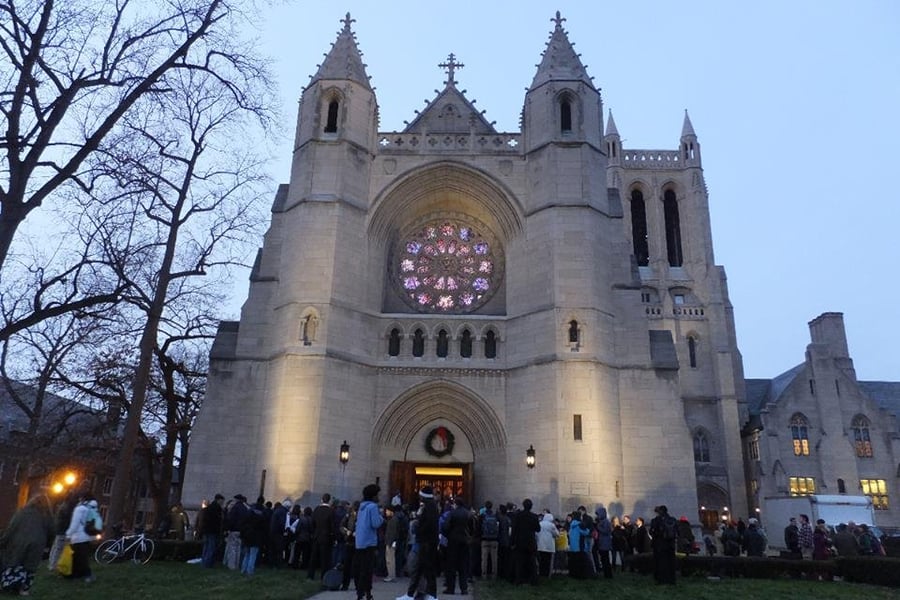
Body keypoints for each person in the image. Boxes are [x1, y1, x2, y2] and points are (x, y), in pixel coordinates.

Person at [0, 494, 54, 595]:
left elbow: (11, 528)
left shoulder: (22, 512)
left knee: (16, 563)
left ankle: (10, 584)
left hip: (19, 542)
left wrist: (3, 541)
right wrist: (48, 546)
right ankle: (24, 589)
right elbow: (52, 532)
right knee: (30, 567)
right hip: (38, 544)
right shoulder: (47, 515)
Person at [397, 486, 440, 600]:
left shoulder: (428, 506)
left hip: (426, 542)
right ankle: (413, 594)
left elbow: (427, 524)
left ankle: (429, 595)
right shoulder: (431, 506)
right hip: (427, 541)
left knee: (426, 569)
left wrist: (418, 528)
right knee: (421, 569)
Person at [354, 484, 384, 600]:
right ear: (373, 495)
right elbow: (375, 523)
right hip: (369, 542)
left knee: (360, 568)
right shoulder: (372, 507)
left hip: (360, 541)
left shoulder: (362, 507)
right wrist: (381, 517)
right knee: (367, 569)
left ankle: (360, 591)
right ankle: (365, 592)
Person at [65, 496, 103, 583]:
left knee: (78, 558)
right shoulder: (92, 509)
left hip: (78, 537)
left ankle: (84, 575)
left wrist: (68, 535)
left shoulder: (79, 509)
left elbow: (75, 524)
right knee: (81, 557)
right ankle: (77, 575)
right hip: (86, 536)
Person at [443, 497, 472, 595]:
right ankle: (464, 589)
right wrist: (469, 537)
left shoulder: (452, 513)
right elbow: (472, 527)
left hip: (453, 541)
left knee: (451, 565)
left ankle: (450, 588)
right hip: (464, 541)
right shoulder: (468, 514)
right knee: (463, 565)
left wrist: (448, 535)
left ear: (455, 504)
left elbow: (445, 526)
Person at [510, 498, 540, 585]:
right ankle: (534, 580)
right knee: (532, 562)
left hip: (520, 542)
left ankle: (518, 580)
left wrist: (512, 542)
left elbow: (514, 529)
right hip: (531, 542)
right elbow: (538, 529)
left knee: (519, 563)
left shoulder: (518, 515)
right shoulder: (534, 516)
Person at [308, 492, 335, 580]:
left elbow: (312, 523)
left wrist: (314, 532)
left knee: (313, 557)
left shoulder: (316, 509)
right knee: (325, 558)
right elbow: (332, 525)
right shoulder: (331, 511)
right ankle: (323, 576)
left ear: (321, 499)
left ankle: (310, 575)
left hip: (316, 535)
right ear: (329, 500)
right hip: (326, 537)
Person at [649, 504, 676, 585]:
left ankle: (661, 580)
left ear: (660, 511)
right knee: (671, 562)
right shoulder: (673, 520)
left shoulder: (656, 520)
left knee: (660, 563)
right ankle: (672, 580)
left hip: (660, 545)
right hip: (671, 545)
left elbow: (652, 532)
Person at [200, 494, 225, 568]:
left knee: (206, 547)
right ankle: (208, 563)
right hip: (213, 531)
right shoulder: (217, 508)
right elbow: (218, 520)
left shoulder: (209, 507)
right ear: (219, 500)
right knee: (211, 547)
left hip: (207, 530)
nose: (222, 503)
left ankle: (204, 562)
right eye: (222, 501)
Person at [536, 511, 558, 577]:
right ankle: (547, 575)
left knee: (541, 560)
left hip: (540, 545)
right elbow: (557, 534)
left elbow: (536, 533)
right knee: (548, 561)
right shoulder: (551, 525)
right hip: (549, 546)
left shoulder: (540, 524)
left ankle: (541, 573)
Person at [593, 507, 613, 579]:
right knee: (604, 559)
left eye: (598, 514)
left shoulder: (606, 522)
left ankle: (608, 575)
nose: (597, 516)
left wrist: (598, 527)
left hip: (605, 543)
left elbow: (606, 531)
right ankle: (606, 574)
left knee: (605, 560)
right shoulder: (602, 521)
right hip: (602, 543)